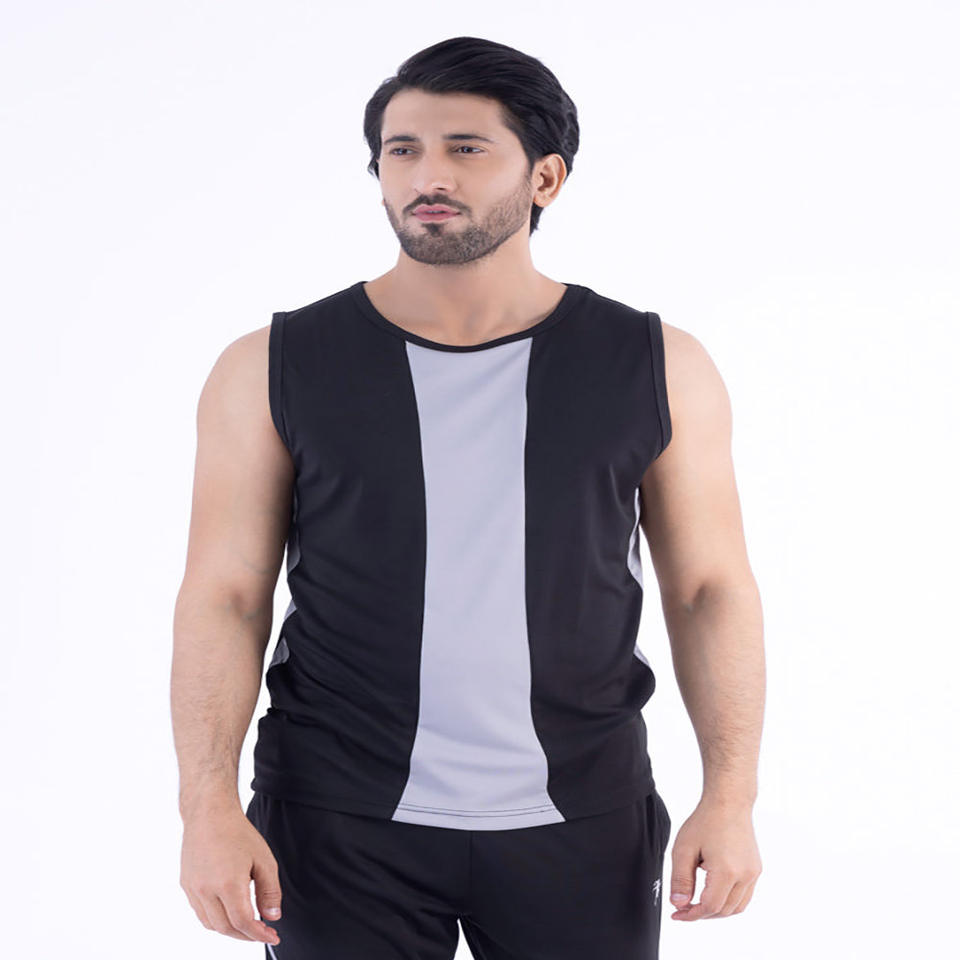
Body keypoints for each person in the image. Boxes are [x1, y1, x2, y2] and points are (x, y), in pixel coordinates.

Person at [171, 35, 764, 960]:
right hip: (335, 821)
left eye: (465, 148)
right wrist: (205, 807)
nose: (427, 176)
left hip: (583, 818)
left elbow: (708, 590)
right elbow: (226, 595)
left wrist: (730, 798)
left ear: (546, 178)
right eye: (401, 150)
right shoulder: (271, 366)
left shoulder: (656, 365)